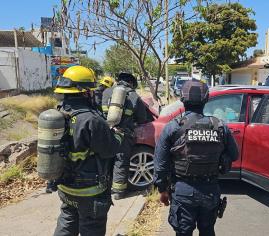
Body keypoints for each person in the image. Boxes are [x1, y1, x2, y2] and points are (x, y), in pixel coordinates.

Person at [154, 80, 239, 236]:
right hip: (210, 192)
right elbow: (234, 155)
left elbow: (160, 165)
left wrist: (162, 190)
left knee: (183, 233)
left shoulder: (173, 127)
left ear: (182, 99)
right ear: (206, 100)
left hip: (183, 192)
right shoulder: (220, 126)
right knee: (207, 231)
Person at [52, 65, 123, 236]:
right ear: (85, 91)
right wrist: (118, 135)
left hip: (66, 187)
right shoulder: (91, 120)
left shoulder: (59, 114)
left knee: (67, 222)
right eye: (91, 89)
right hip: (90, 191)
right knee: (92, 228)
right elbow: (109, 149)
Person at [102, 72, 149, 200]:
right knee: (120, 161)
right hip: (123, 134)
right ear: (132, 83)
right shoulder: (134, 96)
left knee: (104, 159)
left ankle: (103, 187)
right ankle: (118, 192)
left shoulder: (106, 92)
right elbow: (142, 119)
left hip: (105, 133)